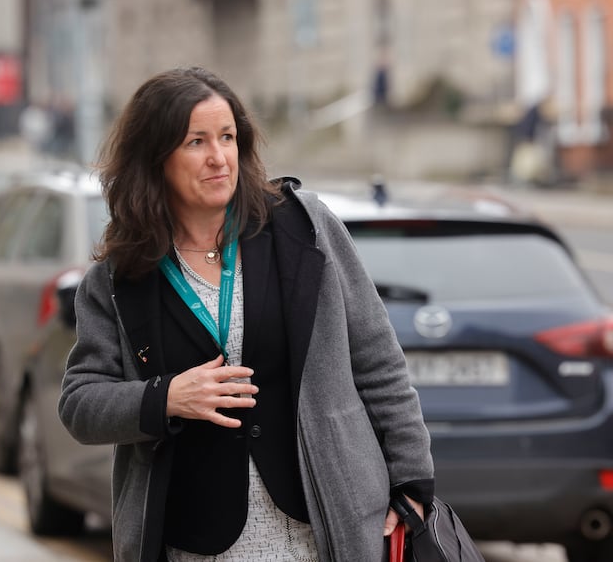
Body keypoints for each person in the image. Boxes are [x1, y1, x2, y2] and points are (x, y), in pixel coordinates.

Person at [58, 66, 434, 561]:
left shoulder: (303, 228)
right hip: (194, 542)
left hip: (327, 529)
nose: (218, 158)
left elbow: (378, 360)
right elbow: (80, 404)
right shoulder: (119, 279)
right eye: (196, 142)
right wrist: (165, 397)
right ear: (156, 158)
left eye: (228, 137)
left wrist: (412, 478)